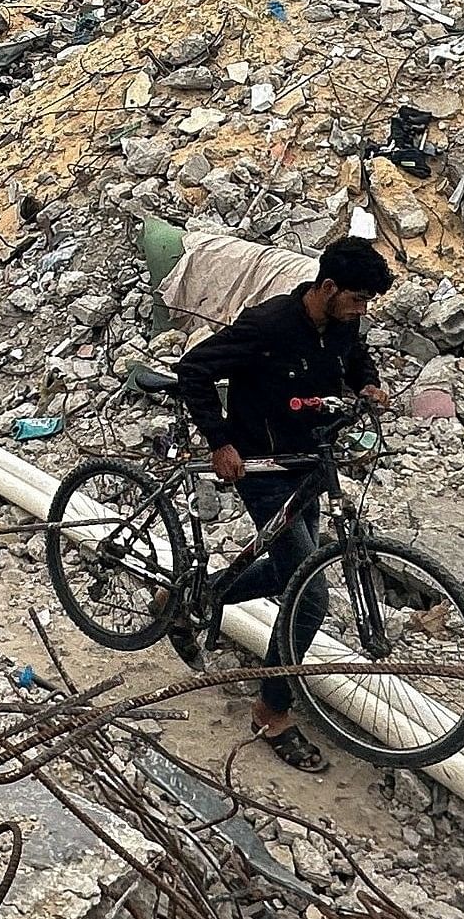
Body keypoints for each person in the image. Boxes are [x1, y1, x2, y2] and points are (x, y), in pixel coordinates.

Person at [171, 234, 394, 773]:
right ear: (328, 286)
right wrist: (221, 441)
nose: (361, 311)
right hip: (262, 466)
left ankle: (185, 598)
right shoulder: (268, 324)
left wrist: (368, 384)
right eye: (357, 299)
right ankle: (271, 712)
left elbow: (355, 356)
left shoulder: (342, 323)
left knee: (285, 570)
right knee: (310, 594)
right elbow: (194, 370)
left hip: (307, 461)